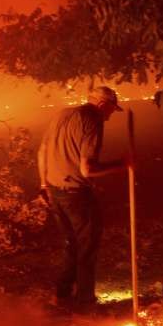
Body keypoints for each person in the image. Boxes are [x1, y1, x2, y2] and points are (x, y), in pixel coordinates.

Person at [37, 86, 130, 312]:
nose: (109, 116)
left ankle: (62, 295)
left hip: (54, 190)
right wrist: (122, 164)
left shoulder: (62, 114)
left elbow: (42, 151)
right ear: (101, 104)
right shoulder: (92, 121)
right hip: (75, 193)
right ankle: (85, 302)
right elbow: (88, 169)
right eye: (110, 110)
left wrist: (43, 185)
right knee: (87, 246)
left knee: (71, 244)